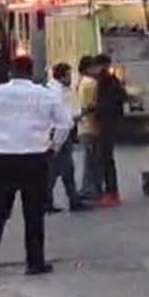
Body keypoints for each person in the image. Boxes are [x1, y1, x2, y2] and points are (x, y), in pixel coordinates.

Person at [0, 55, 72, 277]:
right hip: (35, 159)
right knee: (34, 213)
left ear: (10, 72)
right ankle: (34, 262)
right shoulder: (45, 95)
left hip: (4, 159)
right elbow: (65, 124)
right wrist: (53, 147)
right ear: (31, 72)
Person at [45, 63, 89, 214]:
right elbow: (63, 118)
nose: (71, 78)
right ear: (62, 76)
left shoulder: (58, 90)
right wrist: (78, 115)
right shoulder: (57, 93)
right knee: (59, 170)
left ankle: (56, 201)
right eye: (68, 75)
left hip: (59, 133)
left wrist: (77, 114)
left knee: (61, 170)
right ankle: (69, 201)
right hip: (59, 134)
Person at [93, 53, 126, 207]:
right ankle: (110, 192)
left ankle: (111, 193)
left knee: (105, 159)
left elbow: (106, 102)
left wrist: (96, 110)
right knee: (105, 159)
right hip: (110, 121)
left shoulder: (105, 81)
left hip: (106, 122)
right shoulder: (112, 80)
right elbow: (122, 97)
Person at [75, 56, 103, 201]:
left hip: (83, 127)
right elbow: (92, 105)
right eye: (94, 66)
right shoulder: (92, 83)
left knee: (89, 160)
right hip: (91, 127)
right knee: (92, 162)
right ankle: (90, 190)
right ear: (88, 68)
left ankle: (89, 189)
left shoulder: (82, 82)